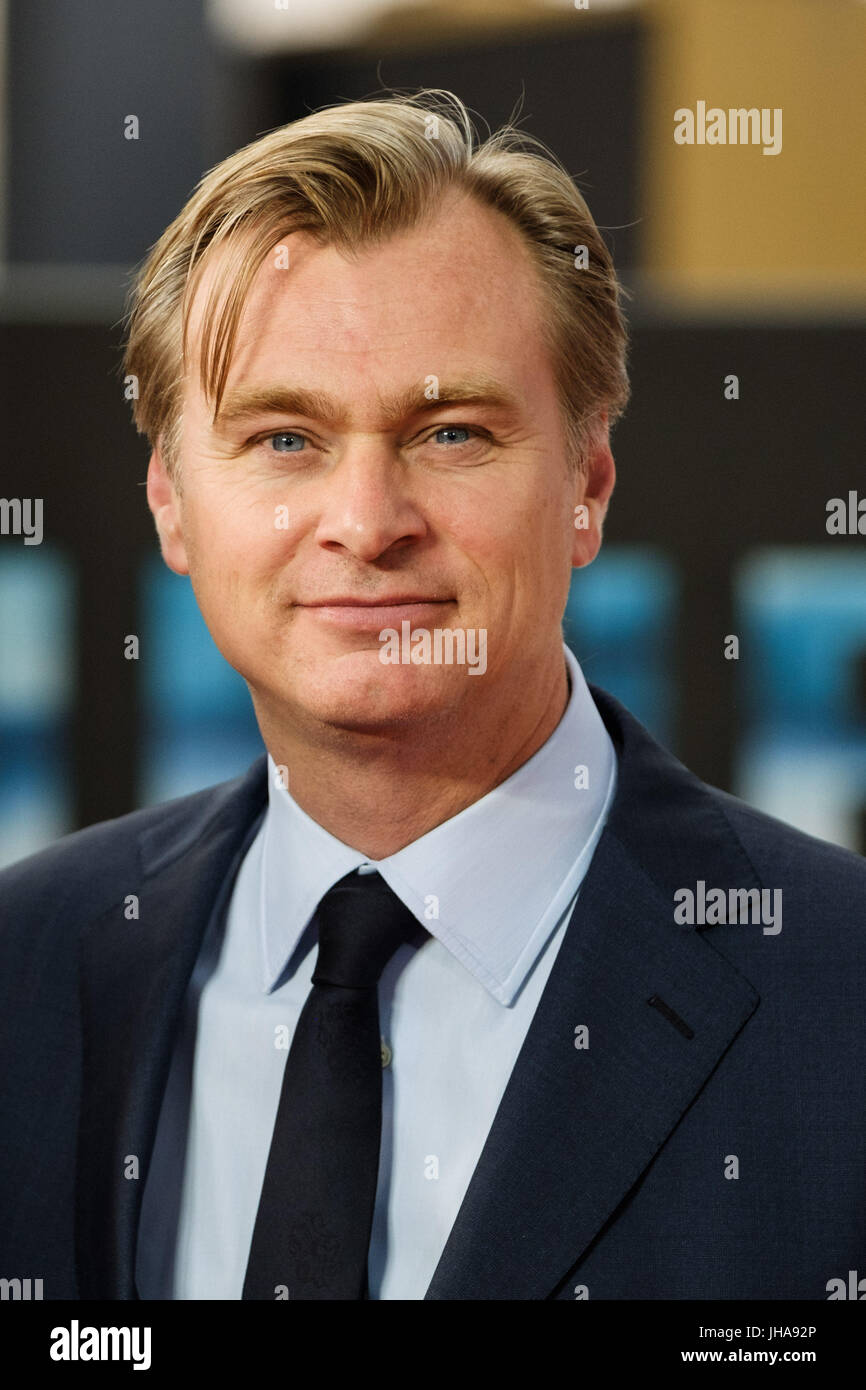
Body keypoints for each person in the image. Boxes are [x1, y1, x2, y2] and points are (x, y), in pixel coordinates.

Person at [1, 90, 864, 1303]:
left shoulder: (840, 998)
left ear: (588, 483)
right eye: (283, 439)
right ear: (171, 502)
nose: (365, 523)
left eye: (450, 432)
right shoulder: (26, 966)